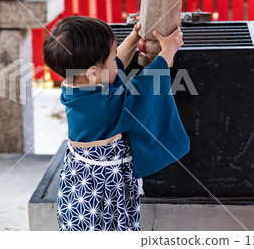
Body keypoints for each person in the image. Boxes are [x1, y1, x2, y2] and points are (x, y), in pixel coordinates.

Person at [43, 15, 190, 231]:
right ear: (92, 72)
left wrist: (133, 37)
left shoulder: (75, 87)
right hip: (101, 194)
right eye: (112, 58)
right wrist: (168, 51)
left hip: (79, 185)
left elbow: (110, 69)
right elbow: (145, 87)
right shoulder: (106, 106)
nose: (116, 62)